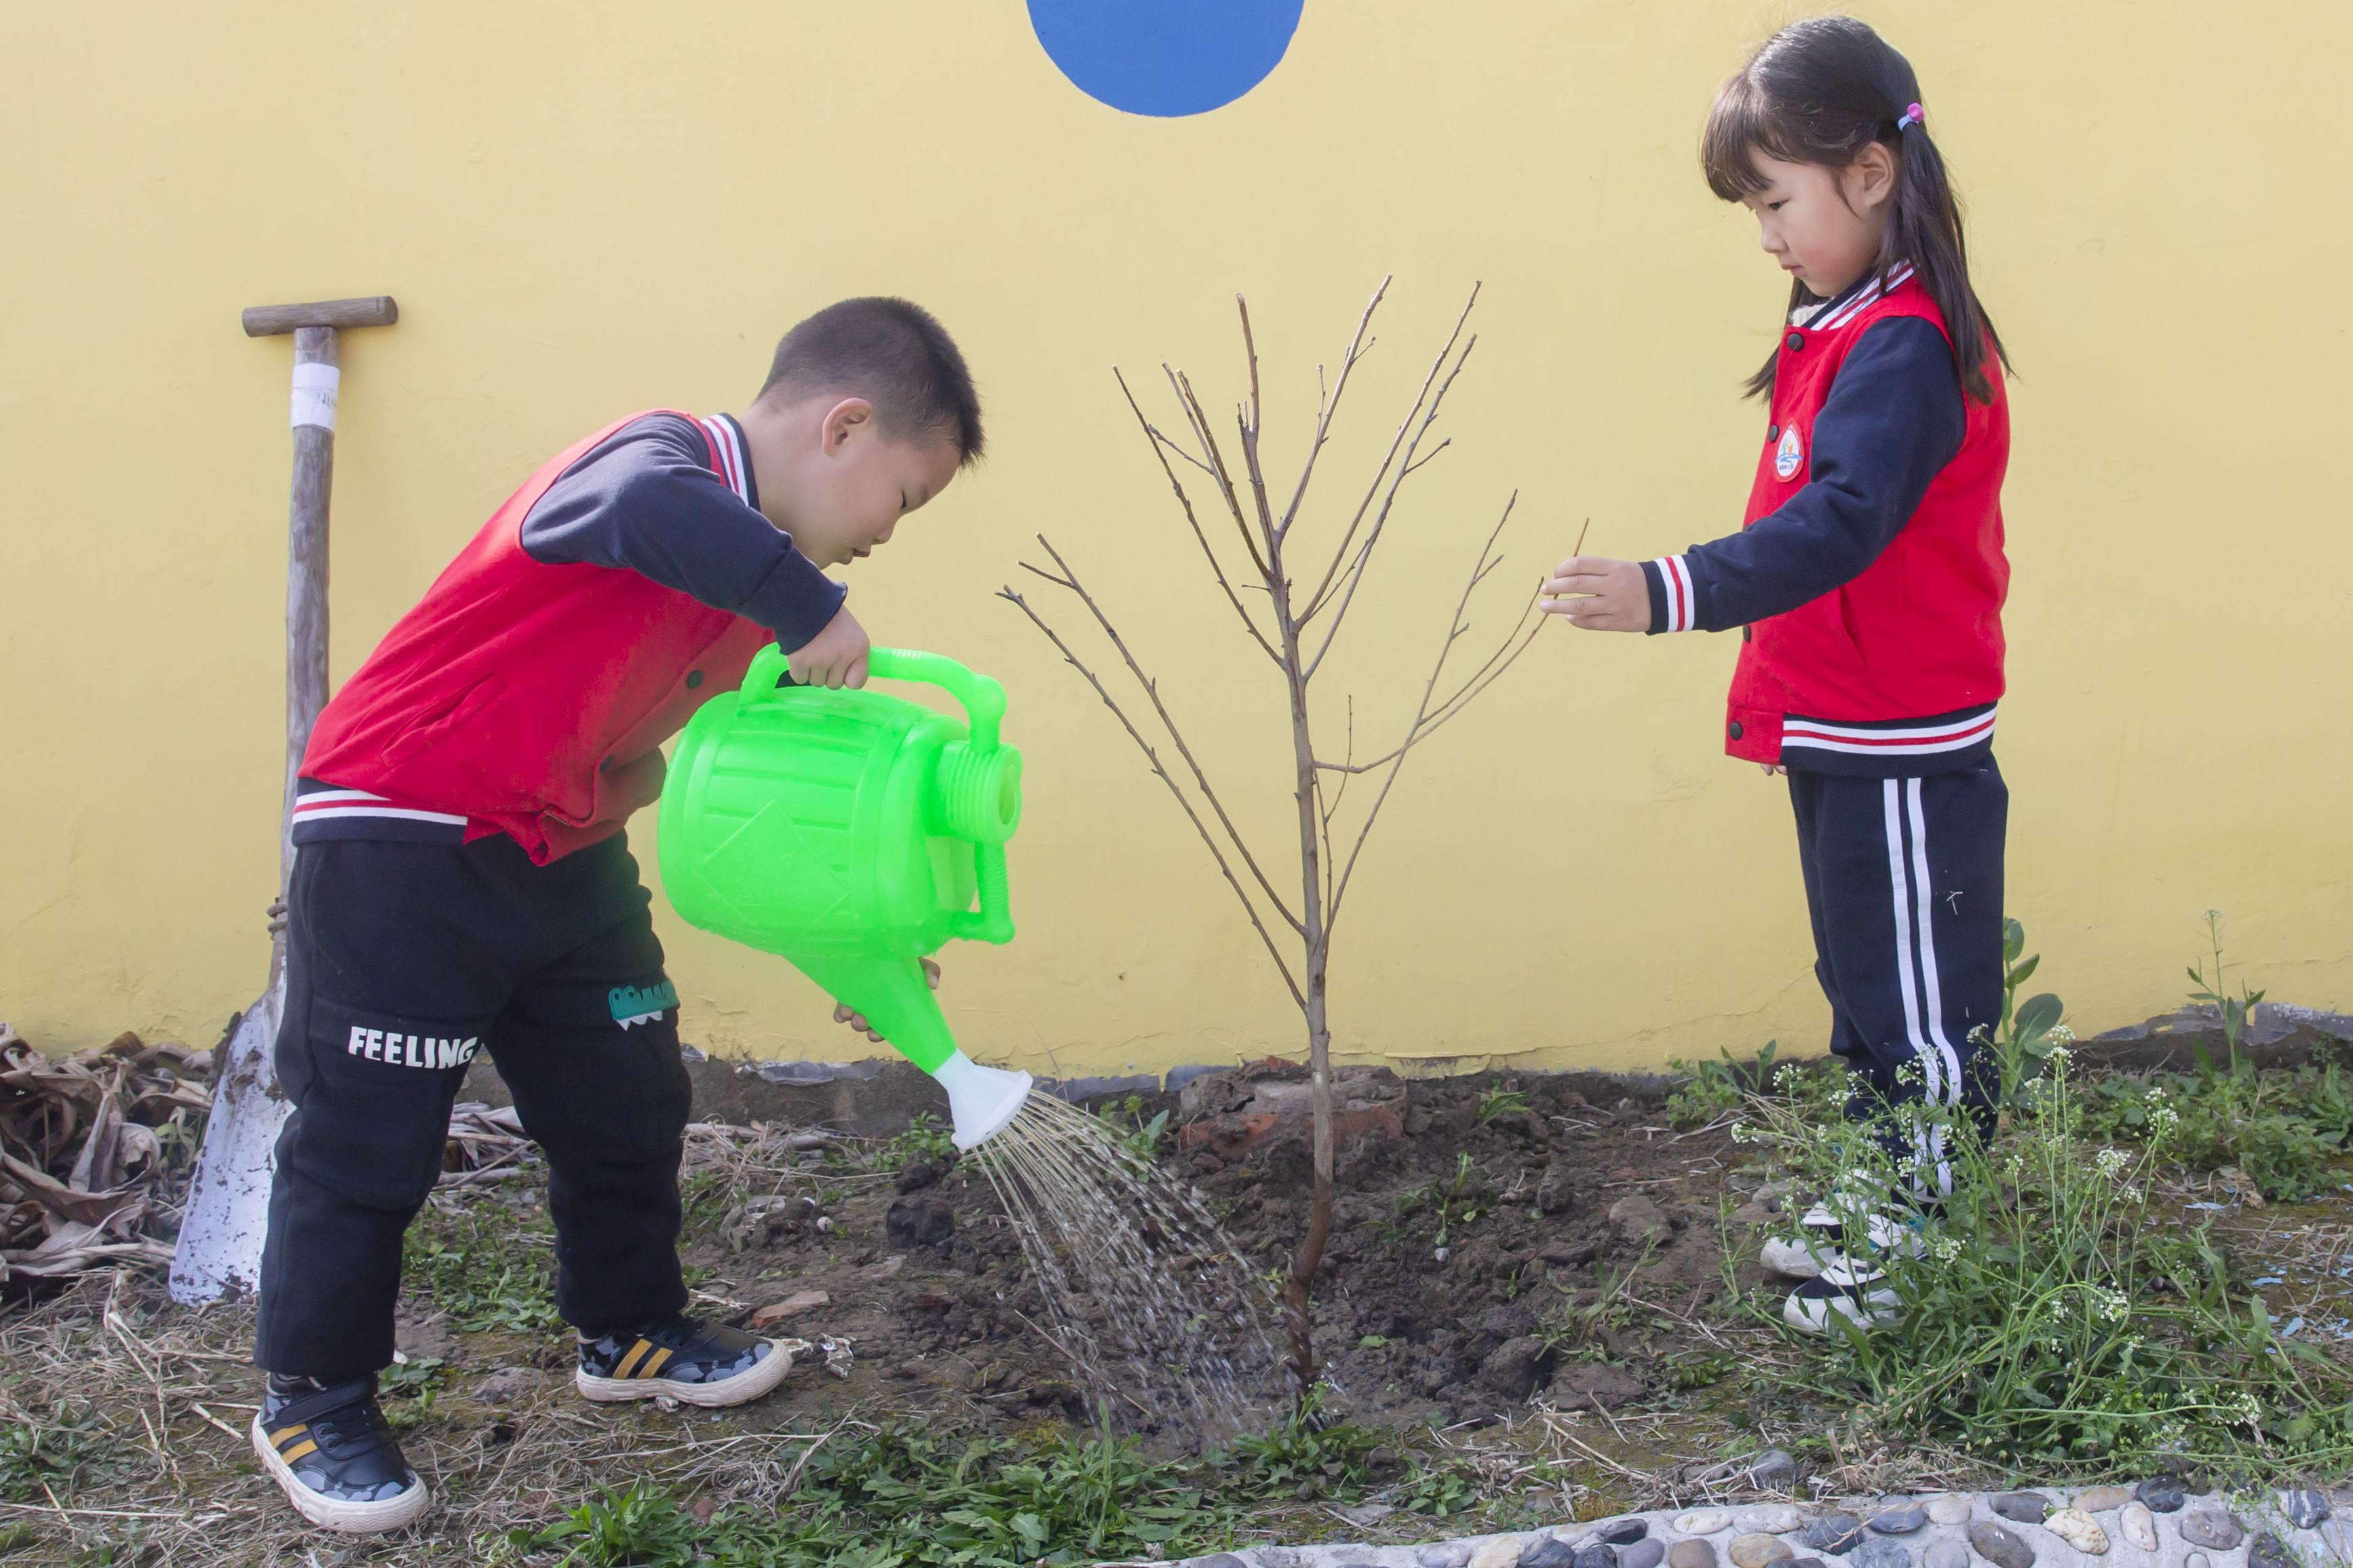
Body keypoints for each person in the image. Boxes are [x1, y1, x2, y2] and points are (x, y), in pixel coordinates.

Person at [248, 297, 984, 1533]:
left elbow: (768, 799)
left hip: (567, 842)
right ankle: (312, 1400)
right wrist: (811, 603)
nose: (885, 541)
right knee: (368, 1142)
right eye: (903, 500)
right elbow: (640, 513)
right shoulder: (660, 464)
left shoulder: (749, 599)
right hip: (406, 829)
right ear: (845, 426)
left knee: (629, 1101)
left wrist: (862, 937)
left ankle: (628, 1330)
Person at [1539, 17, 2012, 1335]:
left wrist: (1666, 590)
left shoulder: (1904, 345)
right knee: (1866, 981)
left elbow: (1841, 523)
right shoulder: (1839, 321)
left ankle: (1923, 1243)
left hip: (1905, 738)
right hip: (1842, 726)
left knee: (1922, 997)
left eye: (1775, 200)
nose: (1765, 234)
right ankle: (1887, 1192)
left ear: (1869, 174)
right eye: (1753, 208)